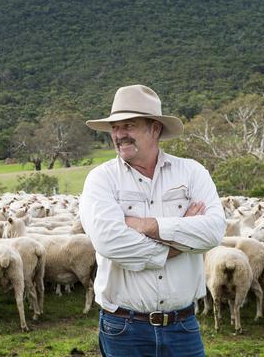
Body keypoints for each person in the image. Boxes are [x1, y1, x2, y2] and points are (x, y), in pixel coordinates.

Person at [79, 84, 226, 357]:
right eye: (115, 127)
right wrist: (178, 244)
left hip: (183, 326)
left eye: (129, 125)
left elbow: (213, 231)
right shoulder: (101, 180)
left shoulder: (192, 173)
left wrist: (145, 225)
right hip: (123, 327)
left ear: (155, 129)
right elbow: (110, 242)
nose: (119, 134)